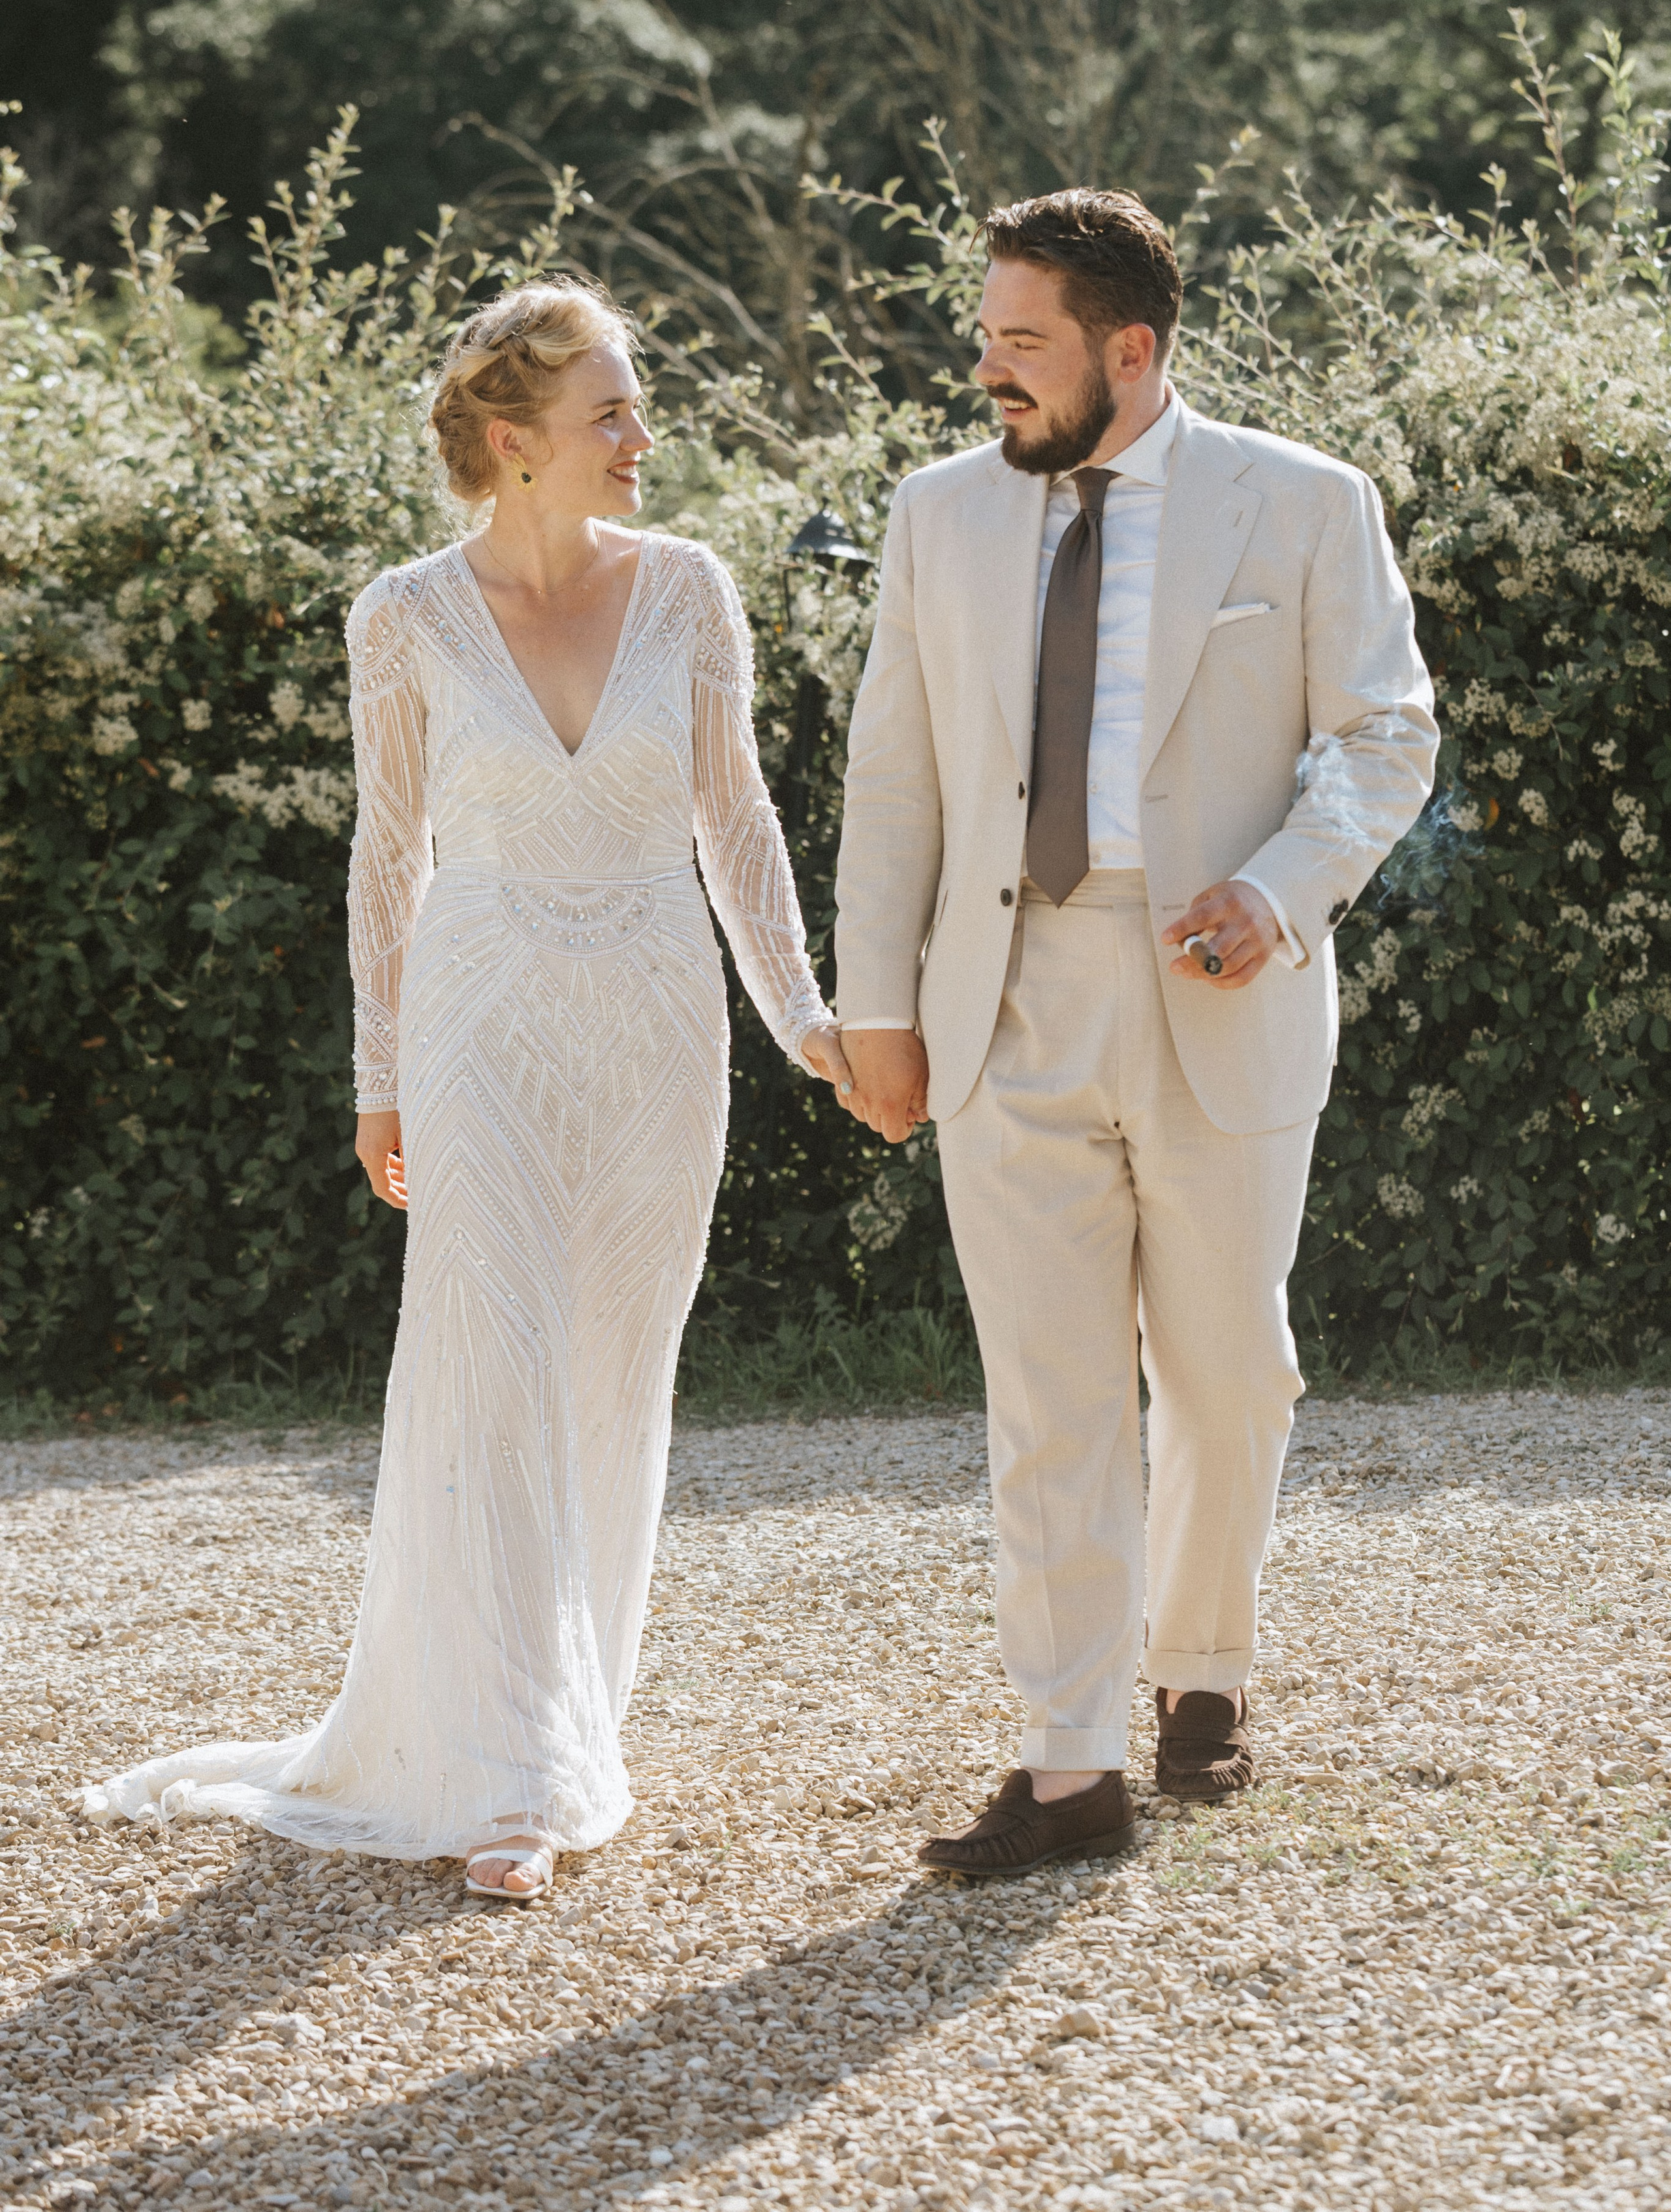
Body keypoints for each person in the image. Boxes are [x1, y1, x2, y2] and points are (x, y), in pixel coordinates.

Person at [84, 279, 845, 1900]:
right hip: (479, 1013)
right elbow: (387, 859)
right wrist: (379, 1078)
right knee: (494, 1357)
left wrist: (802, 1016)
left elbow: (739, 822)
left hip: (654, 1018)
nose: (644, 438)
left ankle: (570, 1719)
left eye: (638, 409)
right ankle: (509, 1779)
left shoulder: (692, 591)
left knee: (610, 1370)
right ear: (514, 443)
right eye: (612, 415)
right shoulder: (405, 614)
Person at [830, 189, 1437, 1875]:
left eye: (1021, 344)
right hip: (1004, 999)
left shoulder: (1308, 505)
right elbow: (896, 778)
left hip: (1222, 988)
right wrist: (876, 1006)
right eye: (985, 338)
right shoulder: (938, 516)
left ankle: (1208, 1673)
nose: (988, 373)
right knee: (1050, 1398)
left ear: (1131, 349)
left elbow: (1387, 736)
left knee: (1229, 1376)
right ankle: (1067, 1764)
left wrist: (1284, 889)